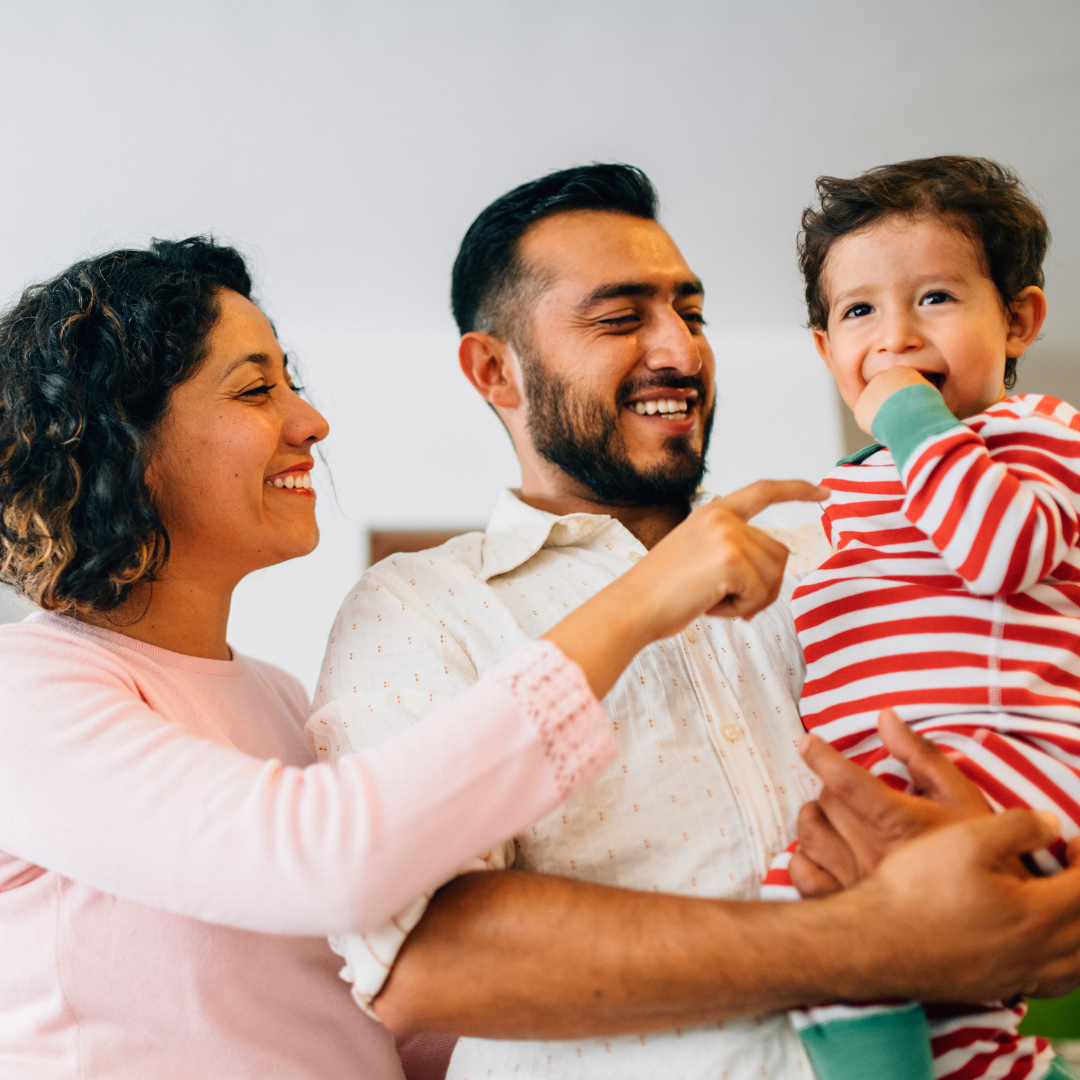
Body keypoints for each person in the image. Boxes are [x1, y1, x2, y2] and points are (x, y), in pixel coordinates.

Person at [312, 163, 1080, 1080]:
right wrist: (880, 940)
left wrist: (1029, 875)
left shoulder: (850, 549)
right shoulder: (419, 608)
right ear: (494, 369)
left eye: (692, 313)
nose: (680, 351)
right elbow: (423, 960)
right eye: (620, 317)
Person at [0, 237, 798, 1079]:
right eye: (256, 390)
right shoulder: (25, 689)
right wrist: (641, 601)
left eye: (292, 384)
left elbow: (378, 1025)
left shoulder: (274, 697)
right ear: (122, 442)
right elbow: (323, 858)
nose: (312, 423)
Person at [759, 156, 1080, 1080]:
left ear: (1016, 320)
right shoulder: (844, 493)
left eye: (934, 297)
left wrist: (914, 422)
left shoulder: (1042, 435)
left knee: (858, 919)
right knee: (814, 912)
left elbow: (1002, 551)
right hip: (900, 779)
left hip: (1015, 759)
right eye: (859, 312)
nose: (894, 337)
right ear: (826, 350)